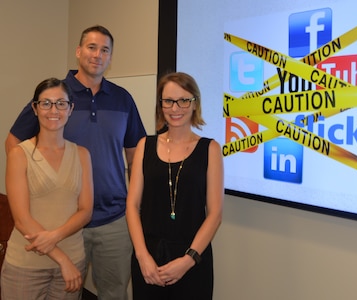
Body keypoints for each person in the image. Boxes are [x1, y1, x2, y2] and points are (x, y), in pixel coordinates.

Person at [4, 25, 146, 299]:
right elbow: (13, 144)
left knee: (113, 292)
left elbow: (135, 154)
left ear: (110, 57)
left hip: (114, 219)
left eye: (105, 50)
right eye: (91, 47)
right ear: (78, 51)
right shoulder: (56, 96)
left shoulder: (123, 99)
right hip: (63, 223)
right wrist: (32, 190)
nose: (97, 55)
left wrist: (136, 205)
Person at [126, 72, 224, 300]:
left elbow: (215, 213)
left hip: (192, 259)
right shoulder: (145, 145)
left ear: (194, 104)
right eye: (168, 101)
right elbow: (132, 206)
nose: (175, 108)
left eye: (183, 100)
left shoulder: (210, 149)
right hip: (148, 259)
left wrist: (188, 260)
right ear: (160, 105)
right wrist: (142, 256)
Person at [1, 78, 93, 299]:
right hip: (26, 266)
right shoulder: (19, 154)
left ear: (70, 109)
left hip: (73, 260)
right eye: (46, 103)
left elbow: (85, 211)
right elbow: (22, 220)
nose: (54, 110)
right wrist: (61, 259)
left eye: (61, 103)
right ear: (35, 108)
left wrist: (54, 237)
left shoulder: (82, 155)